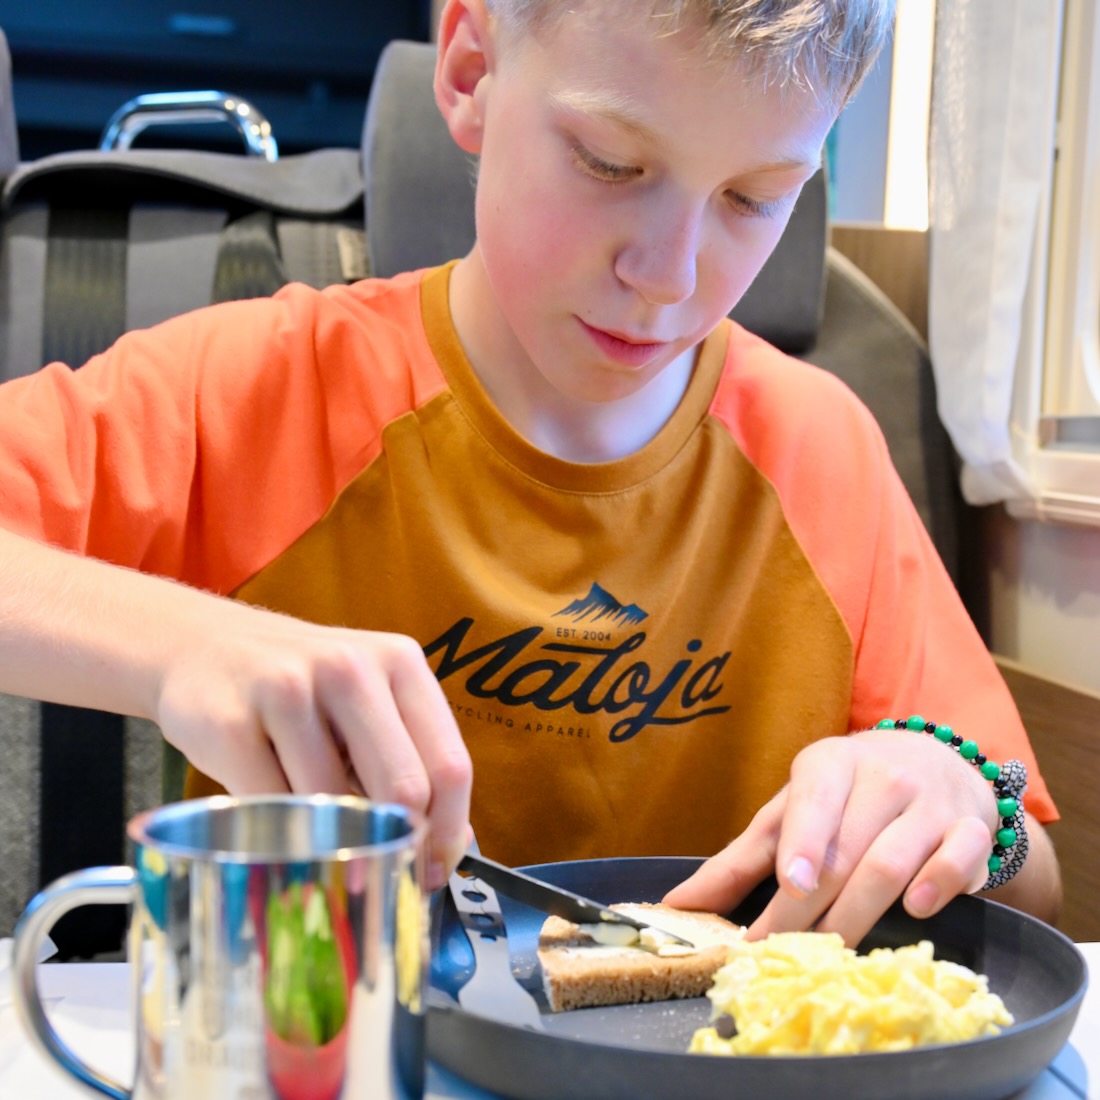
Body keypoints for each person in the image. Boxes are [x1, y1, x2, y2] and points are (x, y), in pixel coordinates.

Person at [0, 0, 1062, 946]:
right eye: (609, 163)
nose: (667, 276)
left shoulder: (823, 449)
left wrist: (958, 801)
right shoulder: (259, 386)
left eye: (752, 197)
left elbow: (1037, 885)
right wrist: (187, 646)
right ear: (470, 72)